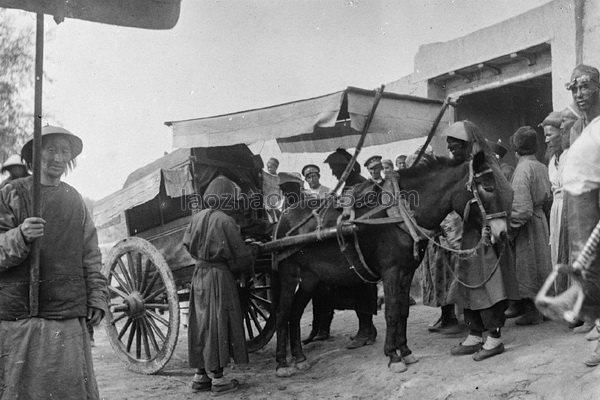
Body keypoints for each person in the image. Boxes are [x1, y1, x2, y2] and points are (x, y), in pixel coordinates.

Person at [0, 125, 108, 399]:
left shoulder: (76, 201)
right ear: (34, 156)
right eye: (51, 150)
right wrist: (20, 235)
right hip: (20, 321)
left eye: (64, 151)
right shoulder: (11, 194)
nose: (58, 158)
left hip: (66, 318)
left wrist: (96, 296)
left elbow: (90, 256)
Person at [446, 121, 519, 361]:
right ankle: (475, 333)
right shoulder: (461, 168)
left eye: (458, 146)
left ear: (469, 144)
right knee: (469, 283)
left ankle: (495, 337)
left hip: (488, 233)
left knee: (490, 285)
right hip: (469, 234)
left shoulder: (486, 166)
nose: (453, 150)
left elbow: (504, 194)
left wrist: (493, 222)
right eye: (450, 146)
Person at [183, 175, 258, 395]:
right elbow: (240, 258)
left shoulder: (197, 218)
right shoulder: (226, 221)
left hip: (200, 274)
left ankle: (200, 376)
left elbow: (187, 244)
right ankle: (219, 380)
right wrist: (252, 250)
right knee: (218, 322)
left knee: (201, 323)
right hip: (219, 277)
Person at [303, 148, 378, 349]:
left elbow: (358, 209)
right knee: (357, 287)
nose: (334, 173)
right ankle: (367, 329)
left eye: (336, 169)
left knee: (361, 286)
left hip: (363, 246)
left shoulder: (360, 184)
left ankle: (365, 330)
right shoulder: (350, 184)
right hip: (354, 244)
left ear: (346, 168)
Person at [562, 64, 600, 366]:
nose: (578, 93)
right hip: (579, 210)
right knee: (590, 273)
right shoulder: (581, 128)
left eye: (584, 85)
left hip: (594, 207)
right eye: (573, 88)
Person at [506, 126, 552, 325]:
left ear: (516, 150)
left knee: (527, 268)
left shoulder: (522, 169)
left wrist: (511, 228)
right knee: (542, 266)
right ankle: (545, 309)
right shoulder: (541, 166)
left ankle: (532, 312)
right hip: (540, 218)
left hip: (528, 225)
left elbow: (522, 208)